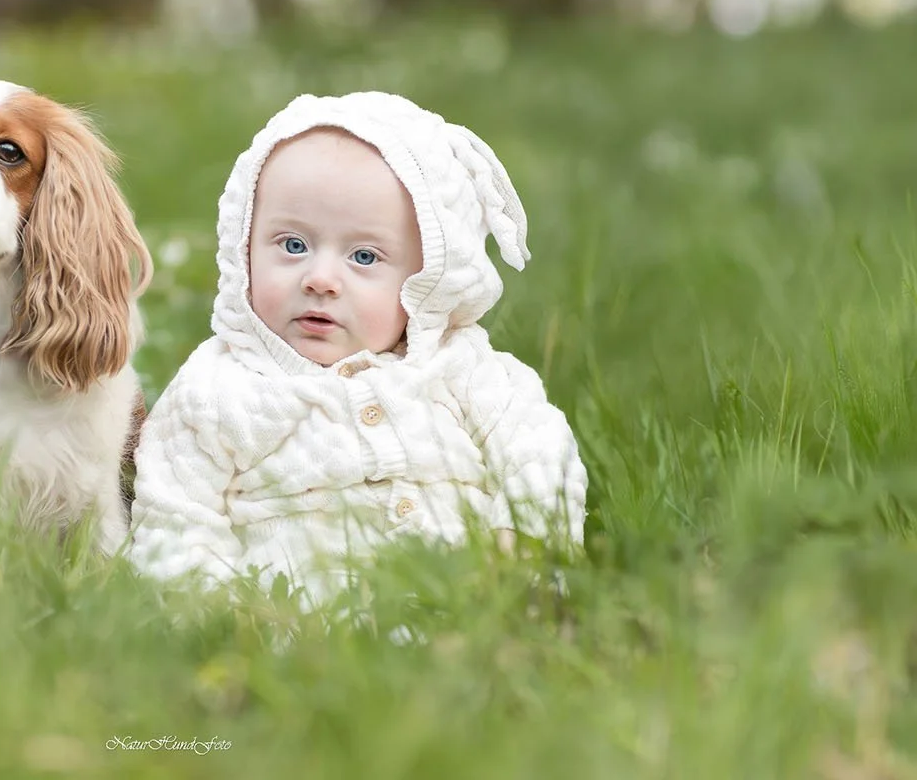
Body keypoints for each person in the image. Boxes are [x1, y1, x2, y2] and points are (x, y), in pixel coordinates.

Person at [128, 92, 588, 604]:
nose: (321, 279)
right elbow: (173, 518)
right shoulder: (216, 389)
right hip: (300, 629)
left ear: (428, 277)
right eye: (293, 245)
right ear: (243, 247)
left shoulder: (465, 369)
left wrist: (523, 544)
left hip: (470, 601)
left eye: (364, 256)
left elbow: (540, 452)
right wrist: (225, 613)